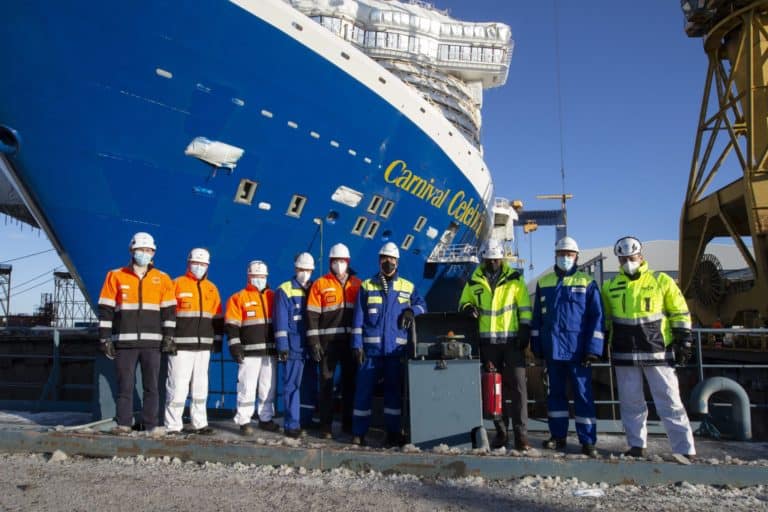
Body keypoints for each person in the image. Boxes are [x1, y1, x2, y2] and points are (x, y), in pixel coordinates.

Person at [601, 236, 696, 459]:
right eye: (623, 258)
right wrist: (601, 343)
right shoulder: (611, 287)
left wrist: (684, 340)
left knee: (670, 401)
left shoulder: (661, 281)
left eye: (631, 257)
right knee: (631, 403)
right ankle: (636, 445)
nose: (628, 261)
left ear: (641, 256)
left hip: (658, 352)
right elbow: (605, 320)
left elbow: (679, 312)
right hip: (625, 353)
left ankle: (684, 448)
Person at [531, 236, 604, 457]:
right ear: (556, 256)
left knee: (583, 395)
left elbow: (597, 317)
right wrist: (537, 345)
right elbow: (537, 319)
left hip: (578, 351)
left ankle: (588, 441)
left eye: (569, 255)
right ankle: (558, 436)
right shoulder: (544, 283)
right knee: (555, 395)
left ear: (576, 257)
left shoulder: (587, 282)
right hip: (553, 350)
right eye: (562, 254)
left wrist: (593, 349)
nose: (565, 258)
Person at [97, 232, 176, 434]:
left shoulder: (163, 278)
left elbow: (169, 311)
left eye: (148, 250)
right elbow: (106, 309)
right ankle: (124, 424)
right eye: (141, 249)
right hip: (124, 342)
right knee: (125, 386)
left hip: (153, 343)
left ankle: (152, 425)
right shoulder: (115, 276)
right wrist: (105, 338)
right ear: (132, 251)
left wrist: (169, 337)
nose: (144, 253)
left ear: (154, 253)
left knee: (152, 387)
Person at [350, 242, 426, 447]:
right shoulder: (367, 286)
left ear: (397, 262)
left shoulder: (407, 286)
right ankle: (359, 432)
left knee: (393, 393)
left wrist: (412, 311)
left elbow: (422, 304)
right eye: (384, 258)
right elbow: (358, 318)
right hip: (370, 352)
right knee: (363, 392)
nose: (388, 262)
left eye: (391, 259)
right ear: (379, 260)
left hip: (395, 351)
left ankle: (393, 432)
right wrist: (357, 345)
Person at [459, 238, 531, 450]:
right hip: (488, 345)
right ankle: (501, 432)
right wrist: (467, 308)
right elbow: (463, 302)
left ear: (502, 258)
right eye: (489, 260)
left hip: (512, 343)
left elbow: (525, 307)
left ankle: (521, 436)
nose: (492, 263)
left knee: (519, 389)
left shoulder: (515, 280)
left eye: (496, 260)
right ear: (483, 259)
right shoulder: (474, 282)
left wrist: (525, 330)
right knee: (493, 390)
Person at [164, 248, 223, 436]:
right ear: (188, 263)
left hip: (203, 347)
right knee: (177, 385)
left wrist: (218, 340)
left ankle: (200, 423)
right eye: (196, 263)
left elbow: (217, 317)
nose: (199, 267)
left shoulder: (212, 288)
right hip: (180, 346)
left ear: (208, 266)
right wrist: (168, 338)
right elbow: (168, 314)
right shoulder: (176, 284)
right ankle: (173, 425)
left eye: (203, 264)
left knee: (200, 387)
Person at [306, 243, 361, 439]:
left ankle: (347, 424)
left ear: (348, 262)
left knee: (350, 384)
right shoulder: (320, 284)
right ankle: (326, 426)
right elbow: (311, 315)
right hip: (327, 344)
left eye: (342, 261)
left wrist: (359, 344)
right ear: (330, 263)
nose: (339, 264)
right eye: (335, 261)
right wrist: (314, 343)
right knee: (326, 385)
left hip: (349, 344)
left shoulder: (357, 284)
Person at [225, 260, 279, 435]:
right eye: (255, 276)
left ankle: (265, 418)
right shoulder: (238, 298)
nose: (259, 279)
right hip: (248, 353)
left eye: (262, 277)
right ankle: (244, 420)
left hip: (269, 351)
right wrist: (235, 347)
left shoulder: (274, 297)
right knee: (246, 386)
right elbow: (232, 326)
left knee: (268, 386)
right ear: (248, 277)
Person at [274, 252, 317, 438]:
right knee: (291, 386)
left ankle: (306, 419)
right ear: (295, 269)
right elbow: (280, 320)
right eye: (302, 269)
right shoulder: (284, 290)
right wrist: (282, 345)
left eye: (308, 270)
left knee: (309, 385)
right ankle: (292, 424)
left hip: (311, 346)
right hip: (293, 347)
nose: (305, 273)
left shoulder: (315, 288)